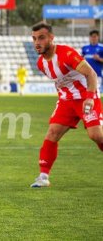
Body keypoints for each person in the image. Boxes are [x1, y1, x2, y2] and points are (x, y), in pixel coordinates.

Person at [30, 22, 103, 188]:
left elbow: (90, 73)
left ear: (51, 38)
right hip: (66, 101)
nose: (37, 42)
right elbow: (61, 83)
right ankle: (43, 176)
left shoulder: (66, 53)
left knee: (96, 136)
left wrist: (90, 97)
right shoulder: (41, 64)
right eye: (34, 39)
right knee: (52, 133)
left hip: (86, 97)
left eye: (41, 38)